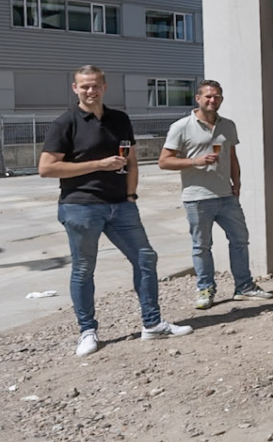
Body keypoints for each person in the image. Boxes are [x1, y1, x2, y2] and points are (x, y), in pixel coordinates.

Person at [39, 65, 191, 356]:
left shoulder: (119, 119)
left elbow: (131, 160)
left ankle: (152, 324)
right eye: (84, 86)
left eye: (95, 85)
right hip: (81, 206)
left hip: (121, 206)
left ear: (105, 87)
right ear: (75, 89)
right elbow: (46, 168)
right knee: (84, 269)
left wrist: (131, 194)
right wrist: (98, 165)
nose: (90, 91)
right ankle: (87, 331)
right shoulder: (65, 123)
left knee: (146, 258)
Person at [159, 80, 273, 310]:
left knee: (240, 240)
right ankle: (205, 289)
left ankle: (244, 287)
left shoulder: (228, 126)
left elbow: (231, 157)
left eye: (217, 96)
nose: (213, 100)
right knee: (202, 246)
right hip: (197, 197)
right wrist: (195, 161)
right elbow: (164, 161)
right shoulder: (181, 126)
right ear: (198, 98)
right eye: (209, 96)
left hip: (226, 195)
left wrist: (237, 183)